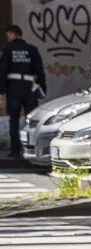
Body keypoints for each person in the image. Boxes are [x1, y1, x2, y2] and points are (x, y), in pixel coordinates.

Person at [0, 25, 46, 163]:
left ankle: (15, 150)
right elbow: (40, 71)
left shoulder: (9, 50)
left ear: (12, 34)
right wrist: (42, 89)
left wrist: (1, 92)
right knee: (30, 120)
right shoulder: (32, 50)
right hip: (29, 88)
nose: (8, 38)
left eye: (8, 35)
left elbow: (2, 71)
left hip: (13, 88)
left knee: (14, 119)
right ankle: (31, 148)